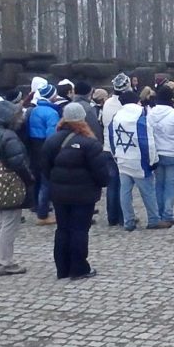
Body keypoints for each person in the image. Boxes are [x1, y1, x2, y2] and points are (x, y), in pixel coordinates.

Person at [41, 103, 109, 280]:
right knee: (79, 230)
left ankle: (62, 268)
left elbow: (45, 168)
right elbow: (101, 173)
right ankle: (78, 268)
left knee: (63, 229)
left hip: (59, 194)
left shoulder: (52, 141)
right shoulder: (90, 144)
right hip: (83, 194)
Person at [0, 100, 34, 276]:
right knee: (10, 222)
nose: (20, 119)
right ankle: (5, 261)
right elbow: (18, 163)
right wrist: (30, 179)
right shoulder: (9, 137)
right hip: (10, 184)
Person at [110, 90, 170, 231]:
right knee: (148, 191)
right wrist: (153, 160)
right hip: (139, 160)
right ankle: (154, 219)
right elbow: (147, 141)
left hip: (123, 158)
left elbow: (113, 138)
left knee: (124, 192)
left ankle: (128, 221)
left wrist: (116, 155)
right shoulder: (141, 114)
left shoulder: (116, 116)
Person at [148, 84, 174, 225]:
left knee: (158, 185)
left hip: (156, 152)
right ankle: (168, 214)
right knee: (170, 185)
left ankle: (160, 212)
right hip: (173, 152)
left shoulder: (150, 113)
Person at [27, 83, 61, 225]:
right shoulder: (51, 113)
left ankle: (37, 205)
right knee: (47, 181)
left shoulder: (35, 110)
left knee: (39, 179)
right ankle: (43, 213)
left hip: (35, 145)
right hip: (45, 146)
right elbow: (52, 135)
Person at [101, 72, 130, 226]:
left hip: (107, 147)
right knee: (123, 184)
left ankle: (112, 216)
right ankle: (122, 215)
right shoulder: (125, 105)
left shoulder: (107, 103)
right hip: (121, 148)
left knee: (112, 184)